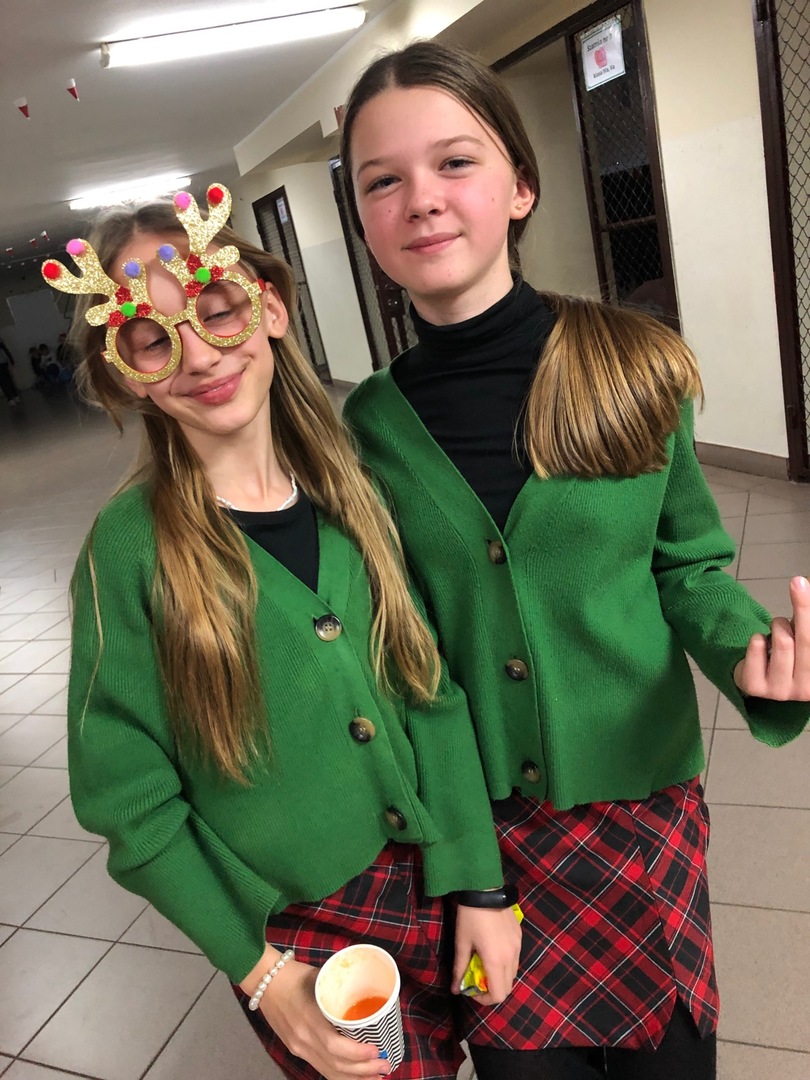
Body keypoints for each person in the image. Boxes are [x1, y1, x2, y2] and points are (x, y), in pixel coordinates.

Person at [340, 41, 810, 1080]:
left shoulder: (634, 365)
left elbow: (687, 566)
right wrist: (461, 867)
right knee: (520, 1069)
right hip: (480, 840)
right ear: (365, 220)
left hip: (642, 814)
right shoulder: (364, 432)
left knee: (672, 1062)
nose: (422, 198)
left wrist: (752, 654)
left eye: (455, 162)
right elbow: (394, 651)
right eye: (382, 180)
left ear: (521, 185)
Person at [45, 183, 522, 1080]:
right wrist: (259, 971)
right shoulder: (130, 551)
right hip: (307, 941)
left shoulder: (353, 494)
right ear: (124, 374)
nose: (198, 354)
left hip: (439, 872)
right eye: (152, 338)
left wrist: (480, 880)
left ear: (266, 308)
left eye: (216, 310)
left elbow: (428, 689)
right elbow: (129, 802)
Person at [0, 337, 20, 405]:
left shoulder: (1, 345)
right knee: (3, 382)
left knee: (8, 380)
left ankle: (14, 396)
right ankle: (11, 398)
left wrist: (11, 361)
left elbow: (5, 351)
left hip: (3, 363)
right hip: (3, 362)